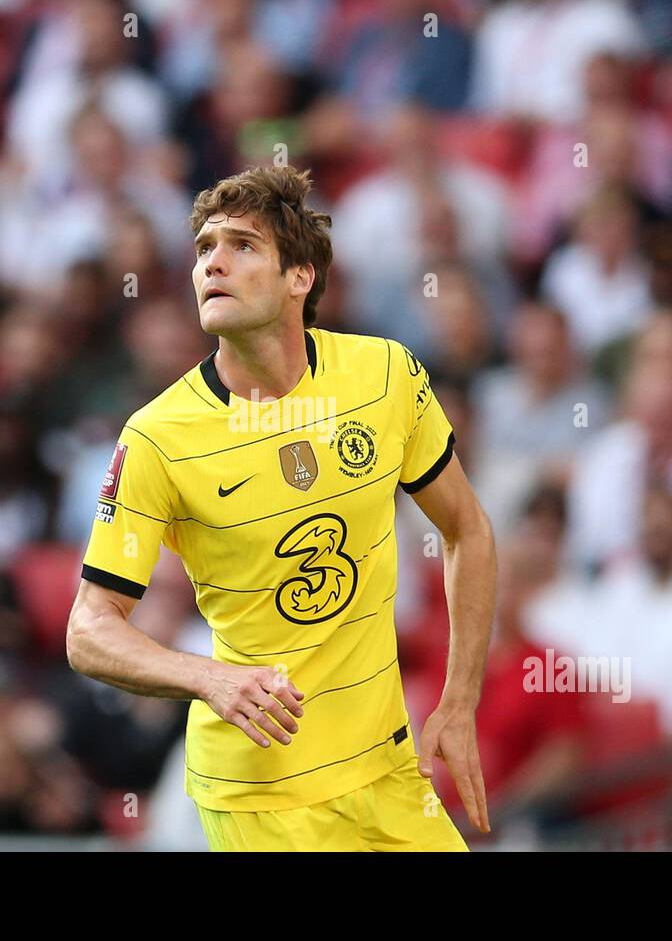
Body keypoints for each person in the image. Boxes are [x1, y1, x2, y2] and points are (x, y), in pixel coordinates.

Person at [67, 164, 497, 851]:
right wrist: (207, 678)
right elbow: (89, 629)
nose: (213, 262)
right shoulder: (157, 437)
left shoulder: (385, 376)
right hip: (259, 797)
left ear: (299, 276)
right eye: (205, 248)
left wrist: (461, 696)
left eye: (241, 245)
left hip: (388, 772)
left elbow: (466, 528)